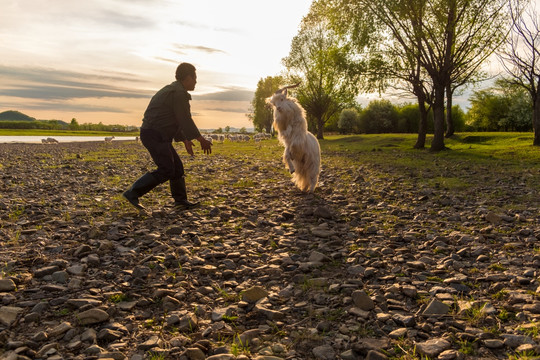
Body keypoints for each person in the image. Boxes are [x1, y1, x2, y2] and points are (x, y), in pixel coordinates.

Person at [123, 62, 212, 212]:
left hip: (158, 134)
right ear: (187, 77)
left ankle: (181, 201)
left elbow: (174, 119)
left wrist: (184, 139)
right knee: (166, 169)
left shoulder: (174, 90)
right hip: (154, 134)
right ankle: (132, 193)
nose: (196, 81)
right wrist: (200, 139)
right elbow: (184, 119)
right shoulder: (178, 93)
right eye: (195, 78)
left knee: (177, 168)